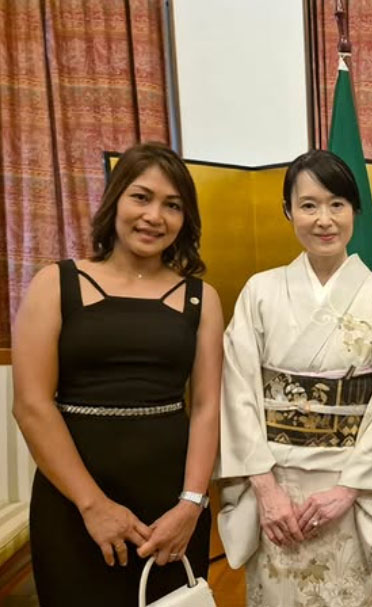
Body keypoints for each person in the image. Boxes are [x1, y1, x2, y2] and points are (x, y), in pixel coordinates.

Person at [12, 142, 223, 605]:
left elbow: (208, 407)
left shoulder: (201, 298)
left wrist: (192, 504)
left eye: (173, 205)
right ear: (115, 201)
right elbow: (30, 404)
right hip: (73, 499)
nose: (154, 216)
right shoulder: (56, 283)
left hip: (172, 506)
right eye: (141, 197)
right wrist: (93, 505)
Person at [217, 149, 372, 606]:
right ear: (289, 211)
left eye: (337, 204)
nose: (323, 219)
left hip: (349, 485)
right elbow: (238, 391)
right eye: (308, 205)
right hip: (276, 487)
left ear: (355, 211)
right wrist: (266, 492)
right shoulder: (260, 292)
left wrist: (348, 490)